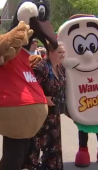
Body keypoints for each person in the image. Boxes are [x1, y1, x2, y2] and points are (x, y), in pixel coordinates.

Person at [23, 42, 66, 170]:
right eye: (60, 52)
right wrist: (44, 98)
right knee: (34, 148)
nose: (63, 55)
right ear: (50, 53)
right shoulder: (41, 67)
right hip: (39, 115)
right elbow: (29, 88)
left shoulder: (61, 68)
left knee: (53, 149)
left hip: (54, 115)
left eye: (64, 52)